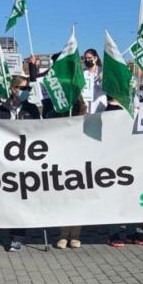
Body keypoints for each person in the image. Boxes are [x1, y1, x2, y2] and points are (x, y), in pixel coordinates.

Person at [0, 76, 42, 252]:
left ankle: (17, 237)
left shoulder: (32, 109)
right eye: (22, 88)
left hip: (27, 159)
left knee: (21, 198)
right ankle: (8, 229)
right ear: (13, 89)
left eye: (28, 88)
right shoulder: (0, 109)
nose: (26, 91)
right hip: (5, 161)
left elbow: (40, 131)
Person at [49, 95, 88, 249]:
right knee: (63, 201)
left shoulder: (86, 119)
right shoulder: (54, 116)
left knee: (77, 201)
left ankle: (75, 235)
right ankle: (63, 235)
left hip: (80, 165)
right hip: (61, 164)